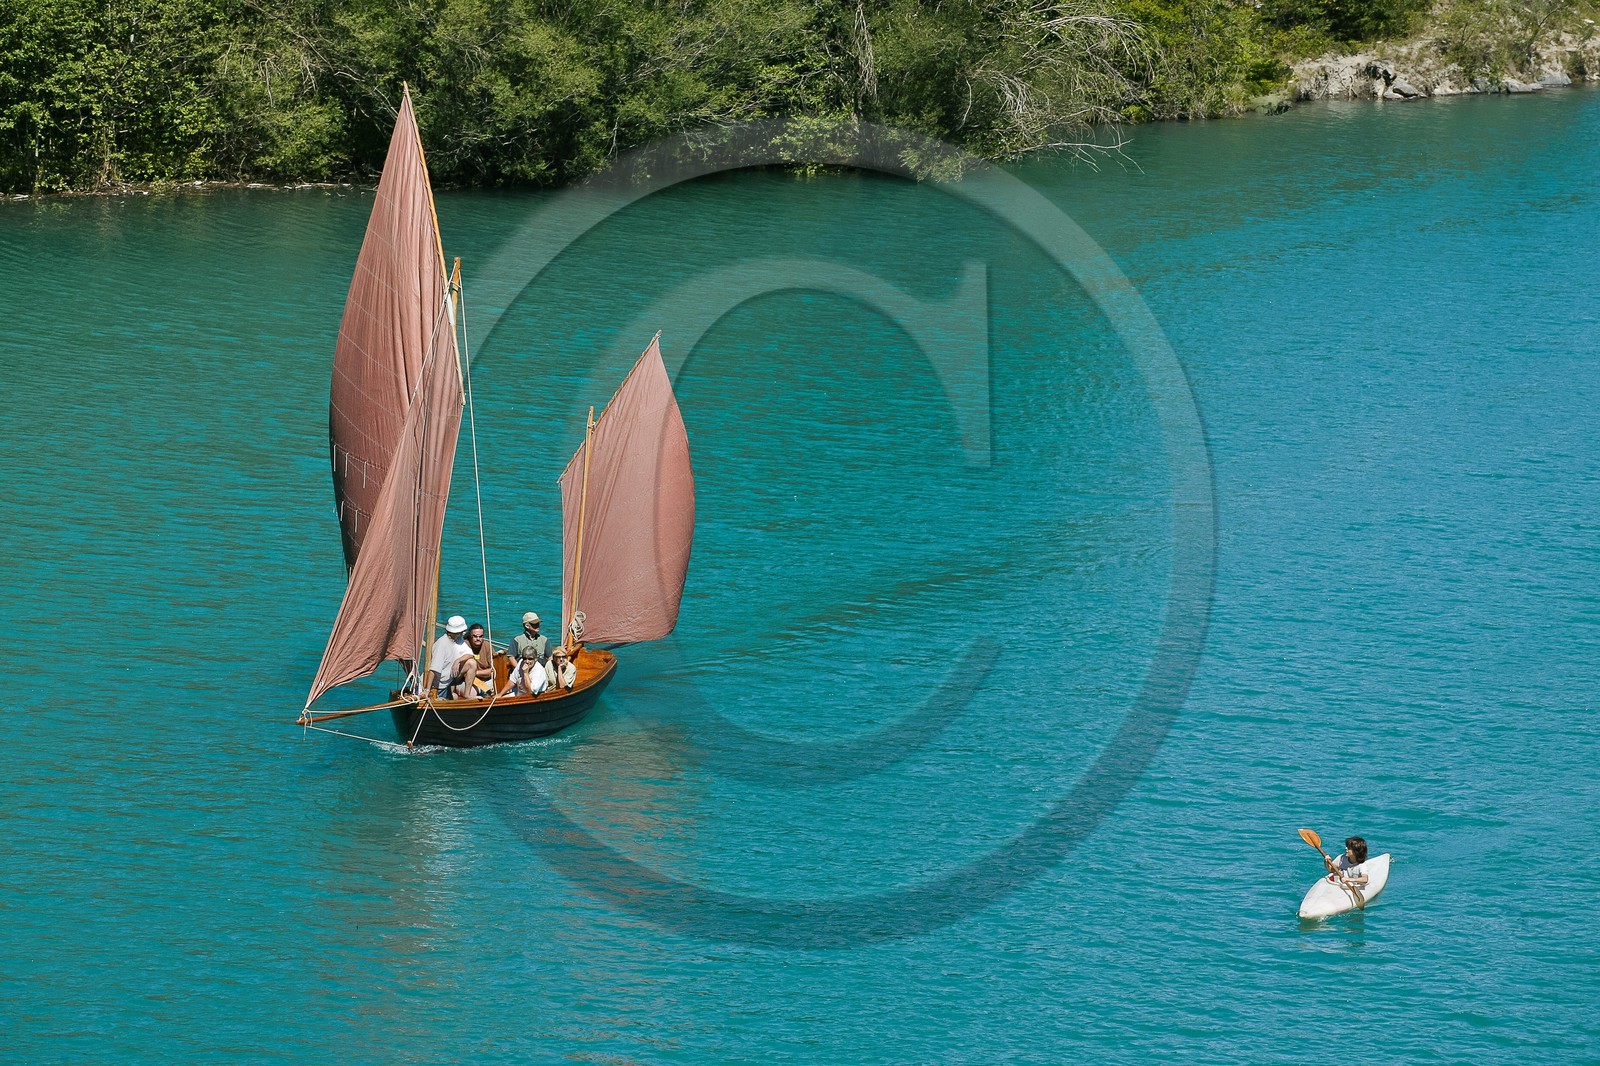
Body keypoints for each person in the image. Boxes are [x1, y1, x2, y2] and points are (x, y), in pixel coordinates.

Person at [423, 615, 471, 699]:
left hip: (451, 679)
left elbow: (470, 654)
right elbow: (433, 670)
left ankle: (467, 694)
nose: (463, 633)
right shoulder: (442, 644)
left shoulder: (458, 639)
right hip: (440, 686)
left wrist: (458, 661)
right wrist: (427, 689)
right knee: (451, 697)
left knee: (472, 663)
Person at [461, 623, 496, 699]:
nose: (478, 639)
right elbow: (462, 672)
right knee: (471, 694)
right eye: (475, 636)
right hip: (468, 681)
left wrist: (474, 673)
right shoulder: (464, 646)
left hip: (486, 680)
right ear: (470, 636)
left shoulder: (487, 646)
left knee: (498, 690)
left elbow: (493, 670)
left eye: (480, 636)